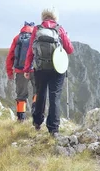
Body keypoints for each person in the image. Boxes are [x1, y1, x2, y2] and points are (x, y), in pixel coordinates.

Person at [23, 7, 74, 136]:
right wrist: (66, 37)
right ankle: (54, 129)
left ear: (43, 17)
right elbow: (70, 50)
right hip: (57, 69)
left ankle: (37, 122)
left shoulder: (37, 29)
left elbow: (30, 50)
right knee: (54, 96)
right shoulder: (59, 29)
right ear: (55, 17)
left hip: (40, 68)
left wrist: (27, 68)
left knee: (40, 95)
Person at [6, 21, 37, 122]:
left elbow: (10, 56)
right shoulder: (36, 37)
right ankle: (36, 115)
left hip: (20, 70)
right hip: (34, 69)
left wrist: (10, 72)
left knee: (21, 95)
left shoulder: (17, 38)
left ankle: (21, 119)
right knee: (37, 93)